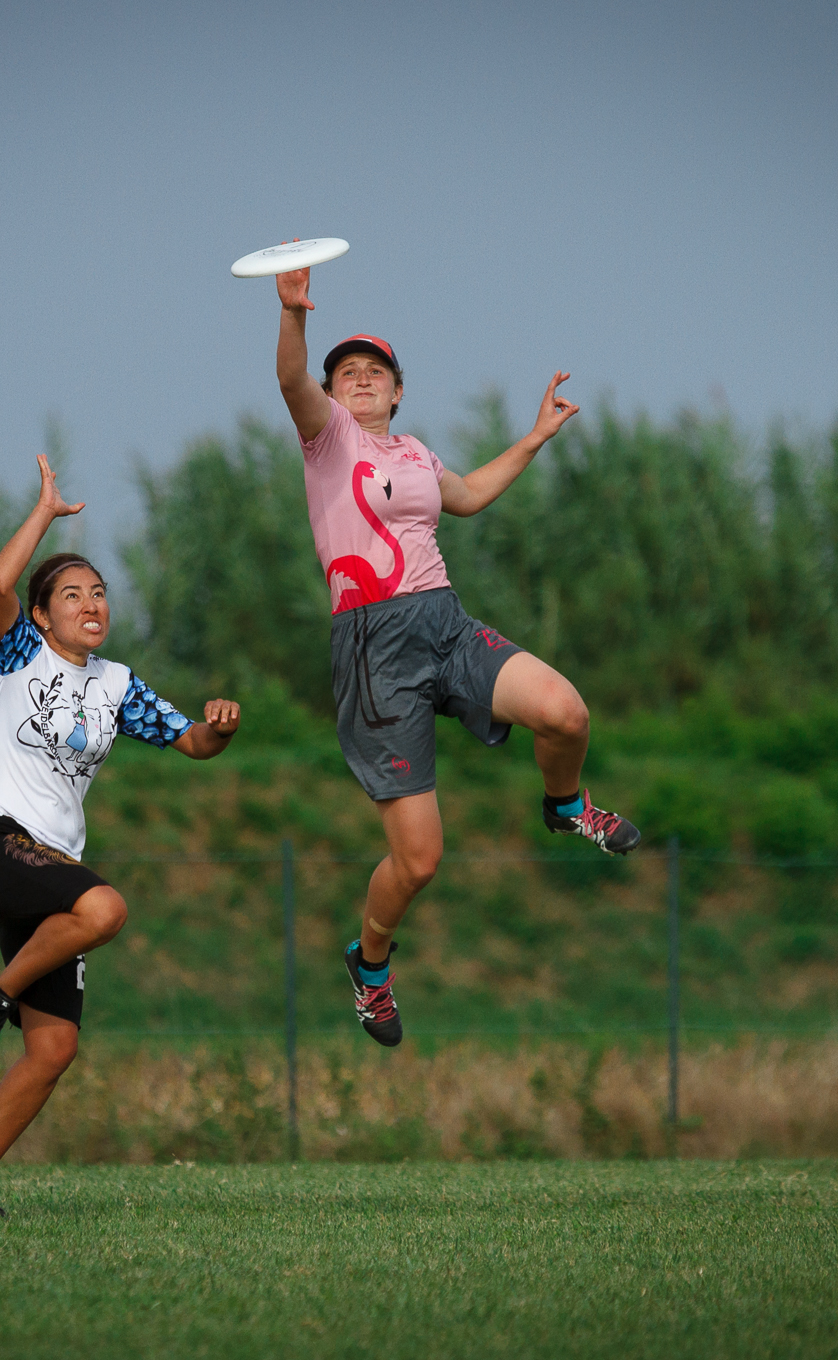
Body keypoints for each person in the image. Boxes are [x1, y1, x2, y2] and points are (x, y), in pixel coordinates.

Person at [272, 256, 639, 1048]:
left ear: (398, 389)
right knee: (419, 863)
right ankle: (369, 965)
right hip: (374, 650)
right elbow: (291, 379)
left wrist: (536, 436)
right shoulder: (327, 440)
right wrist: (295, 315)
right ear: (334, 394)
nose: (360, 379)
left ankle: (566, 807)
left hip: (445, 623)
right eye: (348, 373)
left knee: (566, 713)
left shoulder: (414, 452)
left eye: (376, 371)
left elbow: (467, 497)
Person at [0, 454, 241, 1220]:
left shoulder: (116, 684)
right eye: (71, 593)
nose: (90, 602)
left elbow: (192, 745)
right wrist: (44, 512)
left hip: (49, 869)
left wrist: (219, 728)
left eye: (98, 591)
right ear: (43, 616)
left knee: (55, 1050)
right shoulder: (18, 655)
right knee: (105, 910)